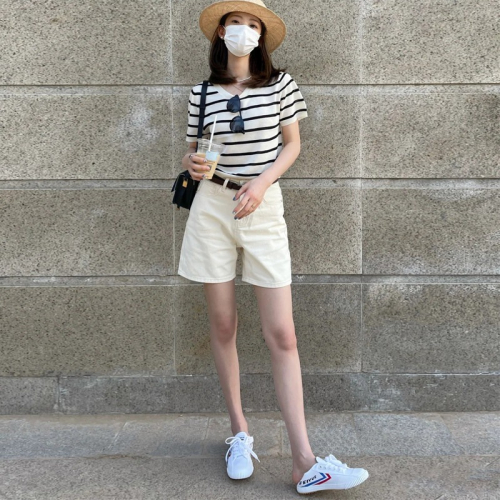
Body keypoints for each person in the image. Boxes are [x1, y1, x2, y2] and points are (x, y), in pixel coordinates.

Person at [177, 0, 369, 494]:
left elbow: (293, 144)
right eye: (235, 23)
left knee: (282, 333)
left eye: (252, 24)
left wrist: (262, 183)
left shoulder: (282, 84)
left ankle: (305, 461)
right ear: (221, 32)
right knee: (223, 325)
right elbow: (195, 151)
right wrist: (192, 163)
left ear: (261, 36)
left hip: (262, 206)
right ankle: (239, 434)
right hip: (212, 206)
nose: (243, 30)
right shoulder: (201, 92)